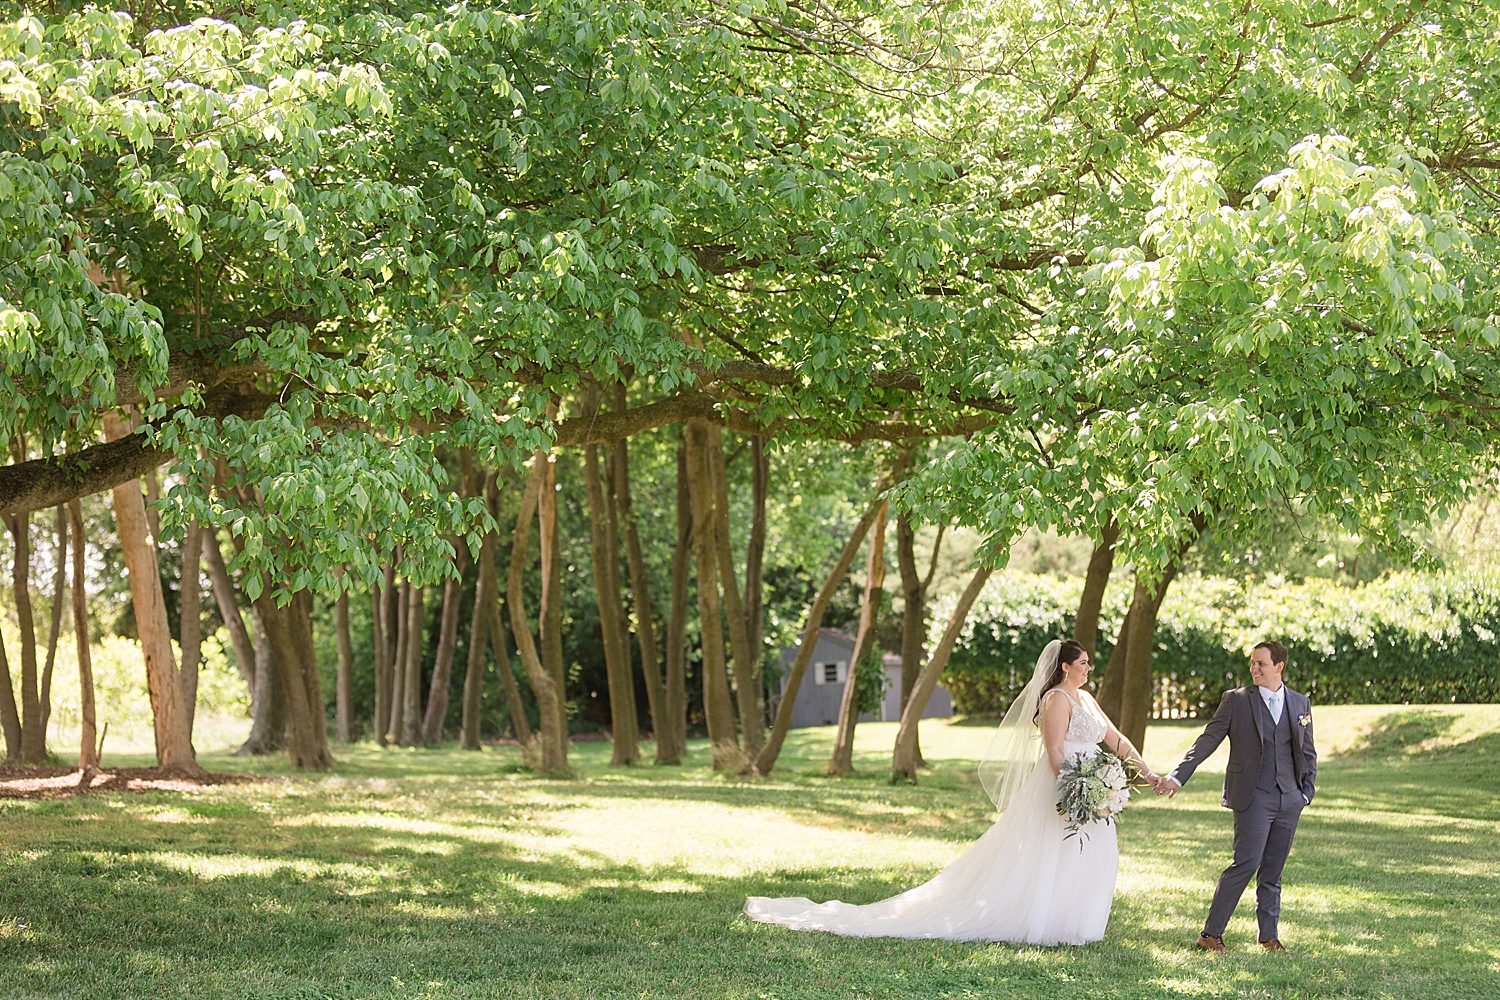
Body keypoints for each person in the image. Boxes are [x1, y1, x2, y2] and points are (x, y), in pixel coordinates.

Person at [744, 639, 1158, 944]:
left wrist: (1147, 774)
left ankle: (1074, 924)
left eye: (1088, 663)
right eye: (1083, 663)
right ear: (1065, 666)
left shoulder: (1086, 699)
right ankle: (1041, 923)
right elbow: (1054, 752)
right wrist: (1075, 792)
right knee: (1049, 853)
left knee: (1089, 855)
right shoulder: (1055, 700)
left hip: (1096, 786)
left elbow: (1118, 739)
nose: (1089, 668)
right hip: (1065, 786)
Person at [1152, 640, 1318, 953]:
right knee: (1246, 863)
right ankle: (1209, 935)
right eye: (1252, 663)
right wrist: (1177, 776)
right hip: (1253, 797)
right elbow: (1208, 740)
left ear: (1279, 667)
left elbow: (1307, 751)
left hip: (1289, 798)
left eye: (1261, 664)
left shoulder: (1300, 703)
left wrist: (1305, 793)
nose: (1254, 669)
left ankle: (1268, 936)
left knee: (1273, 870)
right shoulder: (1236, 700)